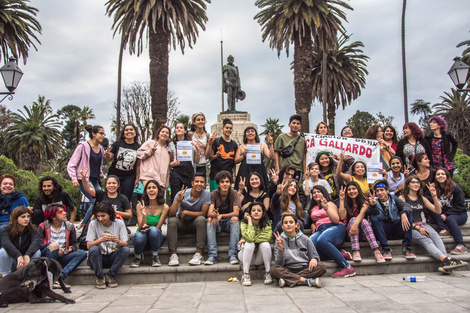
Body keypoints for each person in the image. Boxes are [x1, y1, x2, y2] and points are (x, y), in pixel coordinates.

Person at [399, 175, 467, 274]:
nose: (416, 184)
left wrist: (434, 196)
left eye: (418, 182)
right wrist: (417, 228)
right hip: (410, 226)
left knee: (436, 236)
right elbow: (401, 218)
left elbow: (437, 211)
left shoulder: (421, 198)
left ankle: (445, 262)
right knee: (426, 240)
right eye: (413, 182)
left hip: (423, 224)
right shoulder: (402, 198)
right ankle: (446, 260)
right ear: (408, 185)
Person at [308, 186, 356, 278]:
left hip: (335, 227)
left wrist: (326, 207)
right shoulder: (313, 208)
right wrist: (313, 223)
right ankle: (340, 254)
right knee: (309, 244)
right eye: (314, 192)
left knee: (322, 240)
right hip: (321, 229)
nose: (316, 194)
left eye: (319, 191)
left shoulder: (329, 203)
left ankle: (347, 267)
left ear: (324, 193)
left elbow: (336, 220)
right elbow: (314, 219)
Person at [270, 213, 326, 288]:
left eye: (291, 222)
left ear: (296, 225)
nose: (288, 225)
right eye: (285, 223)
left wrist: (314, 259)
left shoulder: (305, 239)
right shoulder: (279, 240)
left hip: (304, 268)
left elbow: (314, 255)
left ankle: (288, 280)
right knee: (273, 270)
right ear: (282, 226)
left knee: (321, 267)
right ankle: (306, 281)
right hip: (288, 269)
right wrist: (281, 249)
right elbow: (279, 264)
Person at [167, 173, 210, 266]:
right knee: (172, 221)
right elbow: (171, 214)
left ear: (205, 184)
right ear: (192, 183)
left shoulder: (206, 194)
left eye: (202, 182)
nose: (199, 184)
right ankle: (173, 254)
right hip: (181, 222)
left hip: (195, 223)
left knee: (202, 219)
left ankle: (199, 253)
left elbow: (203, 213)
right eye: (197, 181)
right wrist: (177, 201)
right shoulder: (182, 193)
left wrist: (186, 212)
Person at [67, 125, 105, 228]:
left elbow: (97, 164)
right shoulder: (83, 146)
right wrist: (74, 178)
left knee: (102, 200)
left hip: (95, 179)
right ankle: (83, 224)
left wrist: (101, 174)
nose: (103, 136)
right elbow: (71, 164)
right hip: (83, 179)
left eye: (103, 134)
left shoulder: (101, 149)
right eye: (100, 133)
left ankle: (91, 223)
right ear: (93, 134)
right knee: (95, 200)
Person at [38, 204, 87, 285]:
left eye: (64, 211)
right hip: (48, 256)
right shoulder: (43, 226)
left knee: (82, 253)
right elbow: (39, 245)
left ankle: (60, 277)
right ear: (53, 217)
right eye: (61, 212)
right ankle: (49, 277)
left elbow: (74, 244)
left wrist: (71, 249)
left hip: (63, 256)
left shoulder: (70, 226)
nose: (65, 213)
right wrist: (54, 248)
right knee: (54, 245)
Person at [86, 202, 130, 289]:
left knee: (126, 250)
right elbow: (88, 245)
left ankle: (111, 275)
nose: (100, 219)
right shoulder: (93, 224)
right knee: (94, 249)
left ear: (110, 214)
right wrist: (99, 240)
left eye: (103, 216)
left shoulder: (119, 223)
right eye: (98, 216)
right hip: (98, 257)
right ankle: (99, 276)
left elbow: (125, 243)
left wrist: (118, 241)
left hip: (112, 255)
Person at [338, 182, 385, 263]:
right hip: (350, 233)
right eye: (349, 190)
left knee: (362, 221)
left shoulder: (365, 200)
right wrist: (342, 200)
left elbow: (362, 212)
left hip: (364, 232)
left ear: (358, 190)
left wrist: (355, 224)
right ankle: (356, 251)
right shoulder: (345, 202)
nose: (352, 191)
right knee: (352, 220)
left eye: (354, 189)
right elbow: (342, 217)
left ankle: (376, 251)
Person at [368, 180, 415, 260]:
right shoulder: (374, 201)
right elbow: (371, 214)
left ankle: (407, 247)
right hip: (383, 230)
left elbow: (407, 207)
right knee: (374, 217)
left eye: (382, 190)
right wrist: (373, 206)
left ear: (387, 191)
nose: (380, 193)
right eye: (377, 191)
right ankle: (386, 248)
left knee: (408, 214)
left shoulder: (394, 199)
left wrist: (404, 213)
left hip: (396, 227)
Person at [130, 181, 169, 267]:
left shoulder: (164, 207)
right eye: (149, 188)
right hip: (141, 237)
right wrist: (144, 216)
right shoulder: (140, 205)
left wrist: (149, 228)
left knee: (153, 230)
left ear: (158, 190)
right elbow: (140, 227)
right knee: (140, 236)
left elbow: (158, 228)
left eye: (154, 188)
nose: (151, 190)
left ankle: (155, 256)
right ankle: (137, 257)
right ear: (146, 191)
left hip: (155, 238)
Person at [206, 170, 240, 265]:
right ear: (218, 184)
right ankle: (212, 255)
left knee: (235, 219)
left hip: (229, 223)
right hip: (218, 223)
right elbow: (209, 212)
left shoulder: (234, 193)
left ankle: (232, 254)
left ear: (230, 183)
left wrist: (221, 215)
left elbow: (236, 212)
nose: (225, 184)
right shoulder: (214, 193)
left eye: (227, 182)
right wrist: (214, 215)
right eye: (222, 182)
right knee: (209, 220)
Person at [432, 168, 468, 254]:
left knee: (450, 219)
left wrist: (447, 214)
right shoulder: (435, 188)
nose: (440, 176)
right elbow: (426, 200)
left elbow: (460, 206)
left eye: (443, 174)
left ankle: (461, 245)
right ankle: (444, 229)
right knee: (433, 208)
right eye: (438, 174)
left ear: (447, 176)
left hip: (459, 214)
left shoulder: (455, 188)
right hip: (443, 214)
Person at [238, 202, 273, 286]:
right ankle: (245, 275)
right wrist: (249, 221)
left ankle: (268, 273)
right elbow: (250, 239)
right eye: (253, 210)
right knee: (250, 244)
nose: (256, 212)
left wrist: (247, 239)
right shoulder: (244, 223)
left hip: (259, 257)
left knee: (265, 244)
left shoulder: (267, 224)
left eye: (259, 210)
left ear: (263, 212)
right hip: (245, 256)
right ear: (250, 213)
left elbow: (267, 237)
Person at [0, 206, 41, 277]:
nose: (26, 219)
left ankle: (31, 276)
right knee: (3, 251)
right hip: (13, 260)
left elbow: (37, 242)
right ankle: (6, 277)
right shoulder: (6, 229)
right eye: (23, 217)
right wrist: (18, 256)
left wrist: (28, 255)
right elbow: (6, 243)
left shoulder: (33, 229)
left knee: (37, 252)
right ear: (16, 218)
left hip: (27, 261)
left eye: (28, 216)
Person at [104, 123, 141, 201]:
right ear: (124, 133)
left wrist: (137, 178)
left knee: (126, 198)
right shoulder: (117, 143)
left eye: (131, 129)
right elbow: (109, 158)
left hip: (129, 176)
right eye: (126, 130)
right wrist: (107, 154)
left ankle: (123, 212)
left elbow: (138, 165)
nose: (129, 131)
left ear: (135, 132)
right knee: (110, 196)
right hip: (114, 174)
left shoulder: (138, 147)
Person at [168, 122, 200, 202]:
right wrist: (173, 164)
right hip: (176, 172)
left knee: (188, 193)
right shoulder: (171, 144)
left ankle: (186, 212)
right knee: (175, 193)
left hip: (189, 172)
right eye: (177, 127)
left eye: (181, 127)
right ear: (175, 130)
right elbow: (169, 163)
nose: (179, 129)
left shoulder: (191, 143)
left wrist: (198, 148)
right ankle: (174, 212)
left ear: (185, 131)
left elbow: (196, 161)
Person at [207, 118, 238, 191]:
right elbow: (209, 158)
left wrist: (234, 175)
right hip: (215, 176)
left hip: (228, 177)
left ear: (232, 130)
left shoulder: (234, 144)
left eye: (230, 128)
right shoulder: (216, 141)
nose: (228, 130)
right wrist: (216, 155)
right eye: (227, 128)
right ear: (223, 129)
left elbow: (234, 163)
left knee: (226, 199)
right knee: (214, 198)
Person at [274, 114, 306, 181]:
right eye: (293, 123)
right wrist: (277, 169)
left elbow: (304, 156)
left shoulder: (302, 140)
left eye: (298, 123)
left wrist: (304, 172)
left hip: (297, 169)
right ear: (289, 124)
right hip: (284, 168)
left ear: (300, 126)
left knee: (294, 188)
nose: (295, 125)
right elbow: (276, 153)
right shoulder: (281, 137)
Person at [190, 112, 211, 177]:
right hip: (191, 165)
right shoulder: (190, 135)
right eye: (198, 120)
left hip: (202, 165)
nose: (200, 121)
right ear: (194, 122)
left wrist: (210, 144)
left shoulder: (208, 136)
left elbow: (207, 156)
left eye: (202, 119)